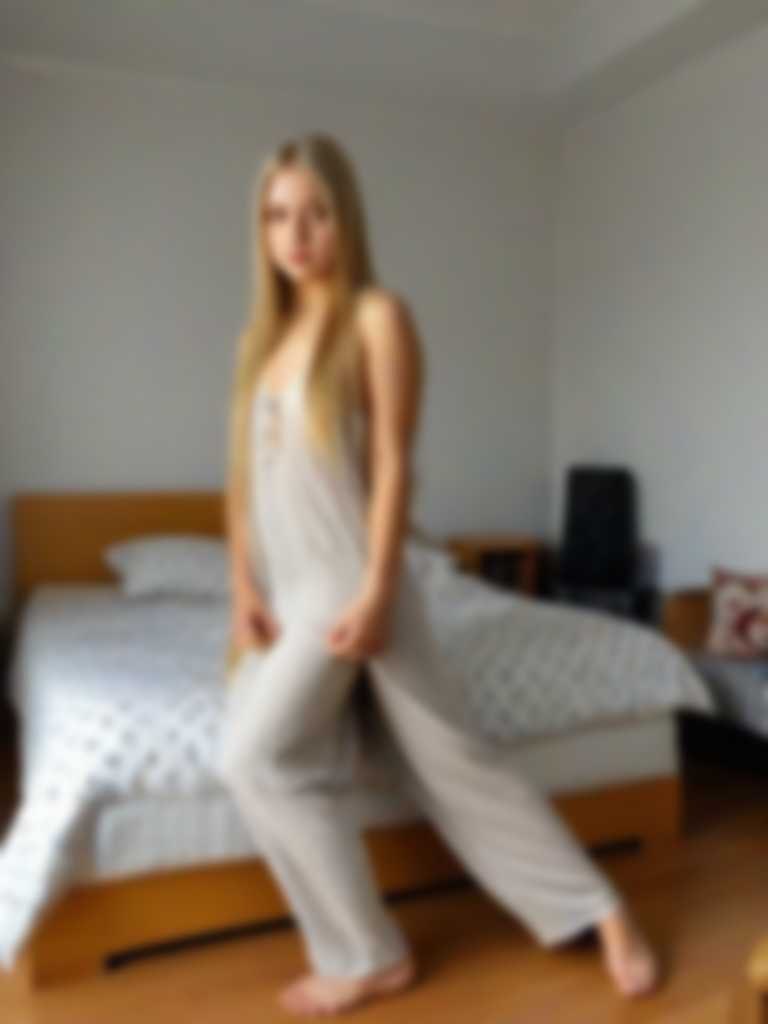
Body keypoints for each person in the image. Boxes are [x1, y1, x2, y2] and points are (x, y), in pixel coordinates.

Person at [215, 131, 660, 1016]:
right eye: (277, 215)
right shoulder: (259, 343)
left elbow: (392, 467)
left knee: (415, 765)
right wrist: (242, 588)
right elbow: (241, 484)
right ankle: (370, 949)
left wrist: (381, 588)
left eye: (316, 213)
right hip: (288, 593)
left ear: (346, 218)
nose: (296, 234)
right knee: (355, 760)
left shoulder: (377, 317)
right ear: (260, 229)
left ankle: (598, 914)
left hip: (350, 583)